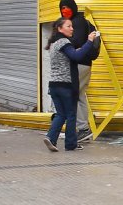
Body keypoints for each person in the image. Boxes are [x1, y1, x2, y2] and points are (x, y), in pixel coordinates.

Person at [44, 17, 96, 152]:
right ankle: (71, 144)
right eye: (68, 26)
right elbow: (76, 57)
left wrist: (78, 48)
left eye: (72, 26)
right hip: (66, 85)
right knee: (71, 114)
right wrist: (89, 41)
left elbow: (71, 55)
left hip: (54, 85)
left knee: (61, 114)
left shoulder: (54, 43)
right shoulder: (64, 42)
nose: (72, 28)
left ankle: (50, 138)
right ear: (60, 28)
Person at [59, 0, 100, 143]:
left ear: (73, 7)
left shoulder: (78, 22)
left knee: (72, 96)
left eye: (67, 7)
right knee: (79, 95)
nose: (65, 11)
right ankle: (83, 129)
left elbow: (76, 41)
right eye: (62, 8)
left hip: (80, 64)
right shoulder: (74, 22)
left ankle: (81, 129)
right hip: (82, 64)